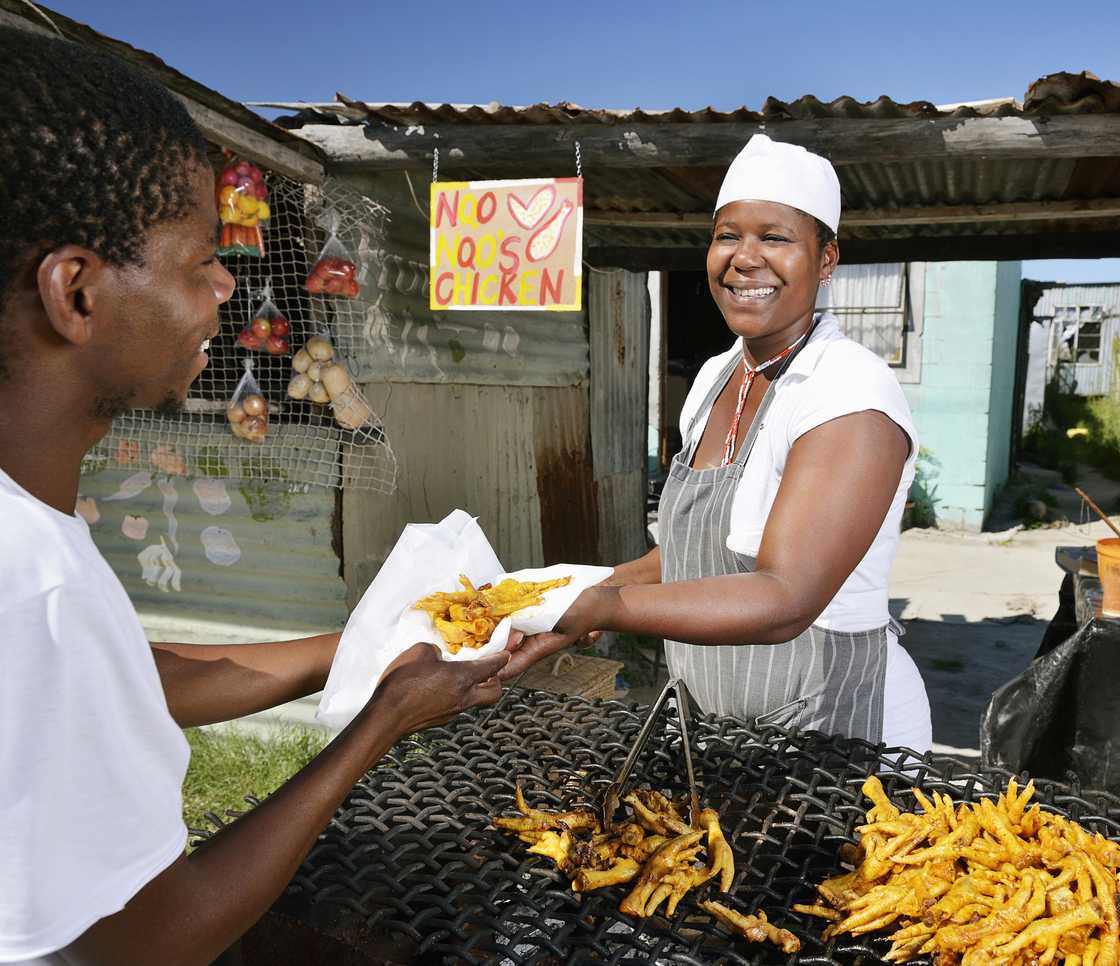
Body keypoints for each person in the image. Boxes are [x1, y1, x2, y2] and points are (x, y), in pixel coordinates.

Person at [0, 27, 508, 966]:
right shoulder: (33, 581)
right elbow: (154, 940)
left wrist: (371, 638)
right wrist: (385, 717)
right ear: (76, 293)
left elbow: (125, 681)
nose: (229, 289)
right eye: (200, 263)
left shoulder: (33, 549)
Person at [510, 135, 932, 752]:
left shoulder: (849, 390)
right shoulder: (715, 377)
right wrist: (580, 595)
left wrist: (606, 610)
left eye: (776, 238)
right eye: (728, 236)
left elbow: (787, 597)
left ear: (826, 259)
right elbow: (693, 553)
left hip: (836, 728)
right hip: (722, 728)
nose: (744, 258)